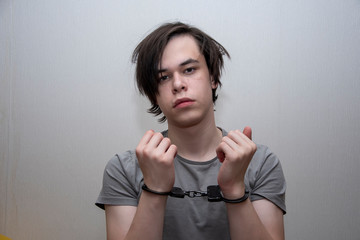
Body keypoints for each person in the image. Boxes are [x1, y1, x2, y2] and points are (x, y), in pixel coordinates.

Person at [96, 22, 286, 240]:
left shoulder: (259, 162)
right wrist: (155, 189)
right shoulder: (124, 169)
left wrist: (234, 189)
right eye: (163, 77)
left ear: (213, 78)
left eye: (189, 69)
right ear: (153, 94)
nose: (178, 84)